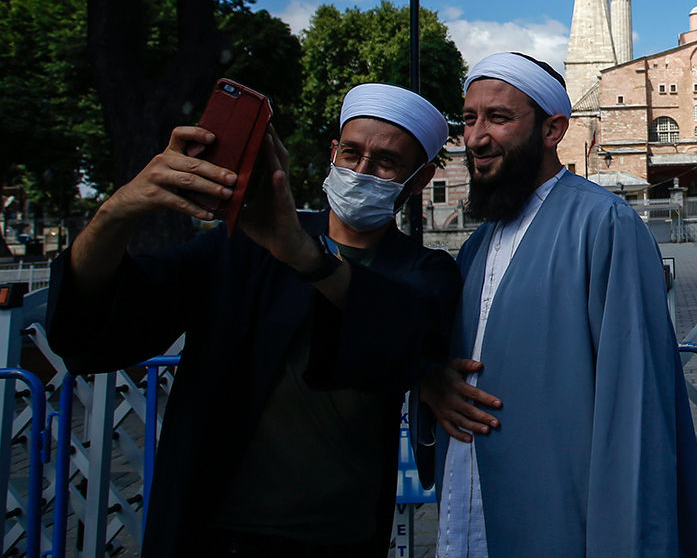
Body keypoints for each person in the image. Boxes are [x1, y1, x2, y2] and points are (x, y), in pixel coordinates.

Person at [46, 83, 461, 558]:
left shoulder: (424, 270)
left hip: (336, 533)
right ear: (333, 153)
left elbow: (405, 334)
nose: (362, 170)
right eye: (351, 152)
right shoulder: (244, 244)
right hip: (214, 527)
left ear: (421, 178)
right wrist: (118, 210)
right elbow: (105, 316)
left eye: (386, 163)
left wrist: (309, 260)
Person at [420, 52, 697, 558]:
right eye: (469, 119)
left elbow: (634, 409)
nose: (475, 138)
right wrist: (431, 385)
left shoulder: (604, 225)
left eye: (498, 118)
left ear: (553, 129)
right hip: (472, 502)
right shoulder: (477, 245)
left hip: (568, 517)